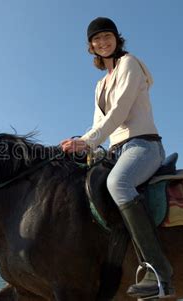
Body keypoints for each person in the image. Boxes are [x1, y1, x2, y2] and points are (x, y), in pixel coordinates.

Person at [60, 17, 175, 299]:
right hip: (115, 150)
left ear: (116, 38)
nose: (102, 42)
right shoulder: (100, 85)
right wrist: (81, 146)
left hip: (143, 145)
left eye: (107, 36)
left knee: (118, 184)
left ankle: (158, 271)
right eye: (96, 39)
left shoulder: (130, 64)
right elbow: (98, 123)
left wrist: (88, 140)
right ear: (91, 47)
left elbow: (120, 112)